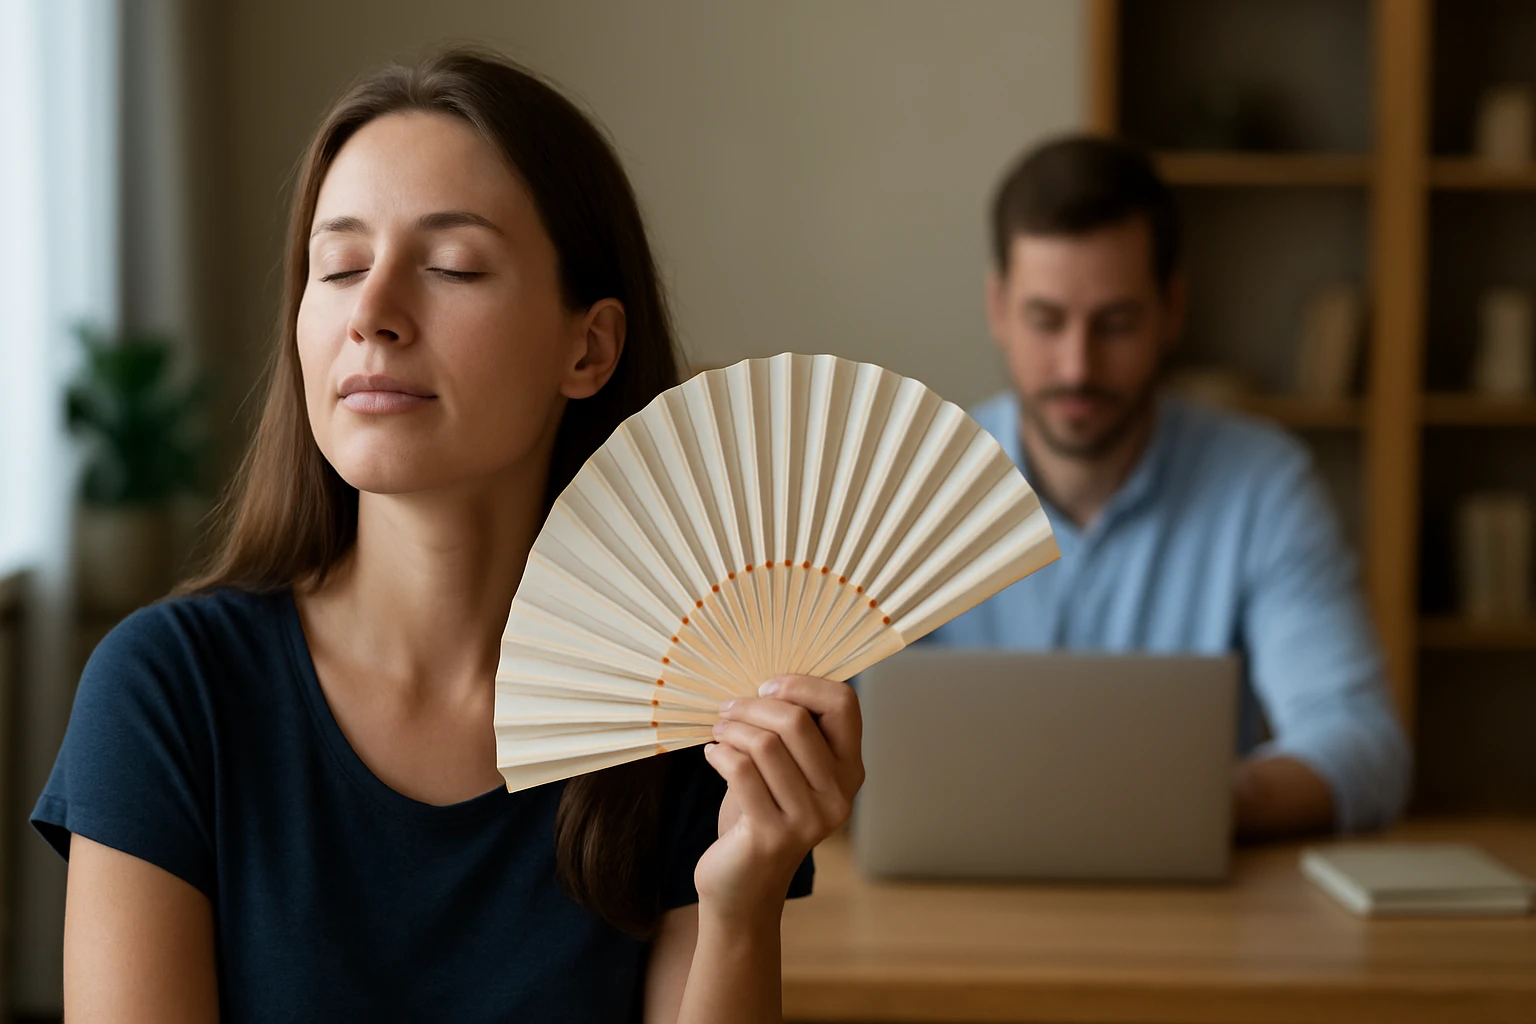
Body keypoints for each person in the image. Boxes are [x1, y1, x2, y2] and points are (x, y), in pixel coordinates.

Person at [32, 48, 863, 1023]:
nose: (372, 315)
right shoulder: (168, 691)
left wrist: (741, 903)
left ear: (588, 347)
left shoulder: (690, 724)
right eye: (337, 266)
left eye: (451, 266)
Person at [929, 134, 1409, 839]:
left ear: (1171, 310)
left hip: (1195, 918)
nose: (1076, 365)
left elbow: (1364, 747)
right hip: (935, 911)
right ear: (998, 307)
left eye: (1115, 323)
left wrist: (1201, 800)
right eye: (1046, 319)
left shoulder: (1264, 486)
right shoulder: (913, 489)